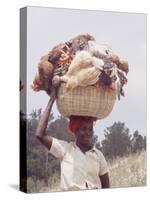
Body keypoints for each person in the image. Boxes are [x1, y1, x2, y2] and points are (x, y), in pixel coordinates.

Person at [35, 83, 110, 191]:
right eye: (83, 129)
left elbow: (106, 187)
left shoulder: (99, 156)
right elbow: (39, 134)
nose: (88, 133)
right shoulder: (65, 149)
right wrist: (52, 99)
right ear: (75, 131)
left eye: (90, 129)